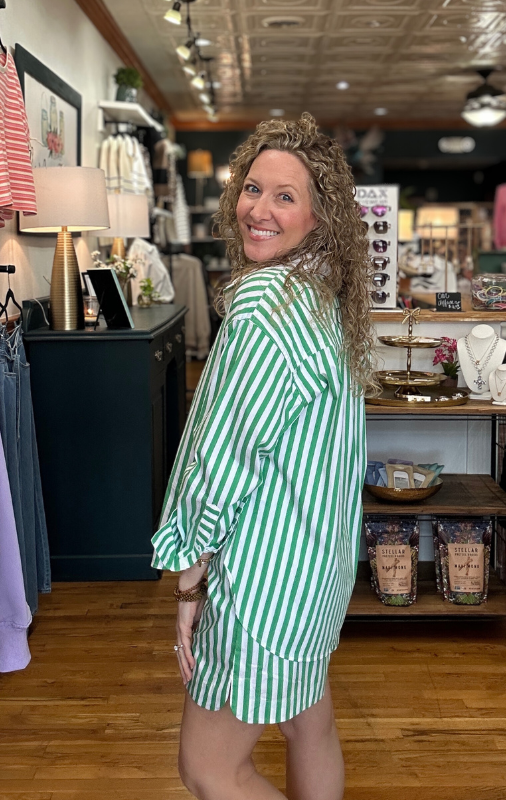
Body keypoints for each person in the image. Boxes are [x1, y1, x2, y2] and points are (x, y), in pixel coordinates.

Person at [151, 112, 379, 800]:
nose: (260, 209)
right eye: (254, 188)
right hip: (316, 573)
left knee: (209, 768)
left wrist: (189, 583)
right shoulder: (319, 296)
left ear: (319, 216)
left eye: (286, 196)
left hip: (267, 584)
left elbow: (221, 465)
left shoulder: (263, 308)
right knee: (310, 727)